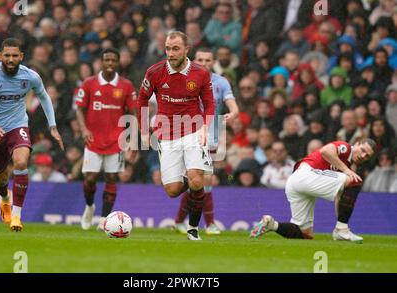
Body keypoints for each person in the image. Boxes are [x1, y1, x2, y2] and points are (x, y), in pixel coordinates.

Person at [0, 38, 64, 232]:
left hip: (18, 125)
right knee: (1, 178)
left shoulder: (31, 77)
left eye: (14, 55)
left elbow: (44, 96)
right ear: (0, 56)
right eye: (7, 55)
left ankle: (17, 216)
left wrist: (52, 125)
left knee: (21, 162)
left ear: (21, 57)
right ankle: (5, 199)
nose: (11, 59)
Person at [137, 31, 215, 240]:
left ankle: (193, 229)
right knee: (172, 190)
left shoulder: (200, 73)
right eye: (168, 48)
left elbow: (209, 103)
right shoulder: (155, 72)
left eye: (175, 49)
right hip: (167, 134)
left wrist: (206, 126)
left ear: (186, 50)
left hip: (194, 129)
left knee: (197, 182)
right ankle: (191, 174)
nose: (170, 53)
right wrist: (144, 129)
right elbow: (142, 100)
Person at [251, 139, 376, 243]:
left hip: (295, 182)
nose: (363, 155)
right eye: (363, 150)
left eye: (367, 156)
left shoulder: (345, 167)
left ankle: (272, 225)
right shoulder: (346, 148)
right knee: (355, 180)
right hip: (305, 175)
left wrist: (340, 221)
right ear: (357, 143)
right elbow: (325, 151)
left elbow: (340, 196)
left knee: (304, 234)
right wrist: (347, 171)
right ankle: (341, 230)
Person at [173, 47, 239, 235]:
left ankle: (184, 222)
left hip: (208, 139)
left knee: (200, 181)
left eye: (207, 60)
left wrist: (232, 114)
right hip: (185, 136)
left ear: (213, 62)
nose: (203, 63)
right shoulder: (182, 80)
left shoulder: (221, 82)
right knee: (198, 182)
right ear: (194, 61)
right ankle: (207, 224)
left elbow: (234, 108)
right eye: (200, 60)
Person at [76, 48, 137, 231]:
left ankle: (104, 219)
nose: (110, 63)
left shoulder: (126, 85)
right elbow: (79, 109)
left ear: (118, 63)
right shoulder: (89, 84)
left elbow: (133, 114)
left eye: (113, 60)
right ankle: (89, 207)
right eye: (107, 60)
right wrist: (84, 129)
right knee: (91, 178)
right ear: (101, 62)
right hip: (93, 139)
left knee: (111, 177)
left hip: (115, 140)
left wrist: (132, 141)